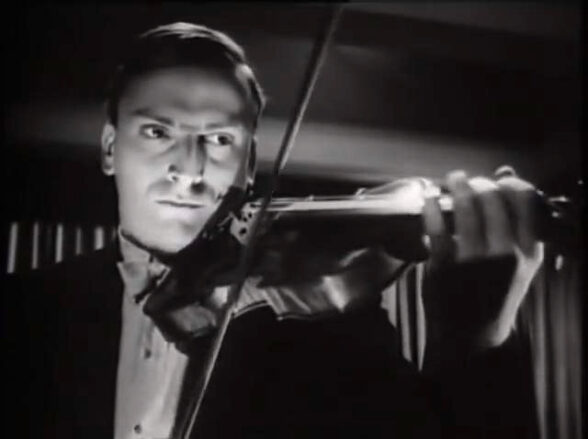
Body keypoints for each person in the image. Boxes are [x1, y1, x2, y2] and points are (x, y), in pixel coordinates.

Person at [4, 22, 542, 438]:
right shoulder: (20, 314)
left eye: (219, 140)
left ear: (249, 162)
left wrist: (476, 341)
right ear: (109, 148)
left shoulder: (334, 328)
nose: (189, 168)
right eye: (157, 131)